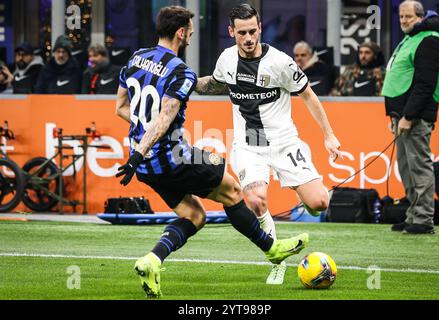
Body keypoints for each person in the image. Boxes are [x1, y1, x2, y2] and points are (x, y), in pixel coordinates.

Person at [114, 5, 309, 298]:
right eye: (190, 31)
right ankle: (273, 250)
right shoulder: (180, 71)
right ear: (181, 32)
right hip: (170, 157)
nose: (192, 36)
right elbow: (165, 117)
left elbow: (121, 108)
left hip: (146, 168)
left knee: (194, 215)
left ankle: (152, 261)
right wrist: (141, 151)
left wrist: (139, 151)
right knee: (232, 191)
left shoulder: (136, 58)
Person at [195, 4, 341, 285]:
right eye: (242, 33)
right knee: (256, 199)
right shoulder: (226, 59)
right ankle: (277, 259)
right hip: (250, 144)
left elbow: (308, 96)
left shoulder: (281, 62)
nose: (248, 38)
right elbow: (215, 84)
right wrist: (185, 81)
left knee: (319, 203)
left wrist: (329, 135)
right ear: (231, 32)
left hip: (284, 140)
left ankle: (303, 192)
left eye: (253, 31)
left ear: (260, 28)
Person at [382, 1, 439, 234]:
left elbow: (425, 84)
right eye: (400, 17)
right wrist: (393, 114)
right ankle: (413, 215)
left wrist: (409, 116)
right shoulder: (411, 38)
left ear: (420, 17)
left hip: (415, 117)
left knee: (419, 167)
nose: (403, 21)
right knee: (407, 168)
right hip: (402, 116)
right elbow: (399, 78)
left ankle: (423, 219)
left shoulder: (430, 40)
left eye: (408, 17)